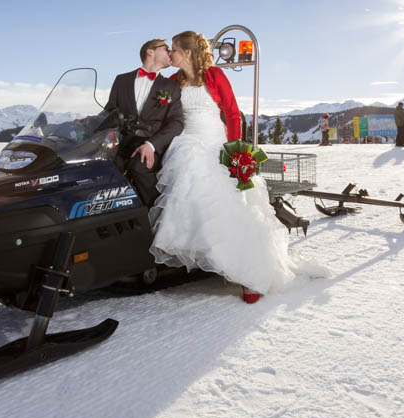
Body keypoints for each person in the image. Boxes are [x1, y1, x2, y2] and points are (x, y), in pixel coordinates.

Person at [150, 31, 325, 304]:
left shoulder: (215, 75)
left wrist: (234, 152)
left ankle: (249, 274)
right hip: (186, 144)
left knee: (232, 205)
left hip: (216, 143)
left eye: (173, 49)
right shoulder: (173, 82)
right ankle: (217, 258)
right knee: (194, 199)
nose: (170, 54)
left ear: (186, 53)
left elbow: (232, 114)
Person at [103, 38, 184, 207]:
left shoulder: (172, 87)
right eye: (166, 48)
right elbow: (109, 112)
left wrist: (152, 145)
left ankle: (157, 212)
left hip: (151, 144)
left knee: (138, 167)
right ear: (150, 51)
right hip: (121, 143)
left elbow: (176, 123)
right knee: (103, 168)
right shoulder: (121, 80)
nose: (170, 52)